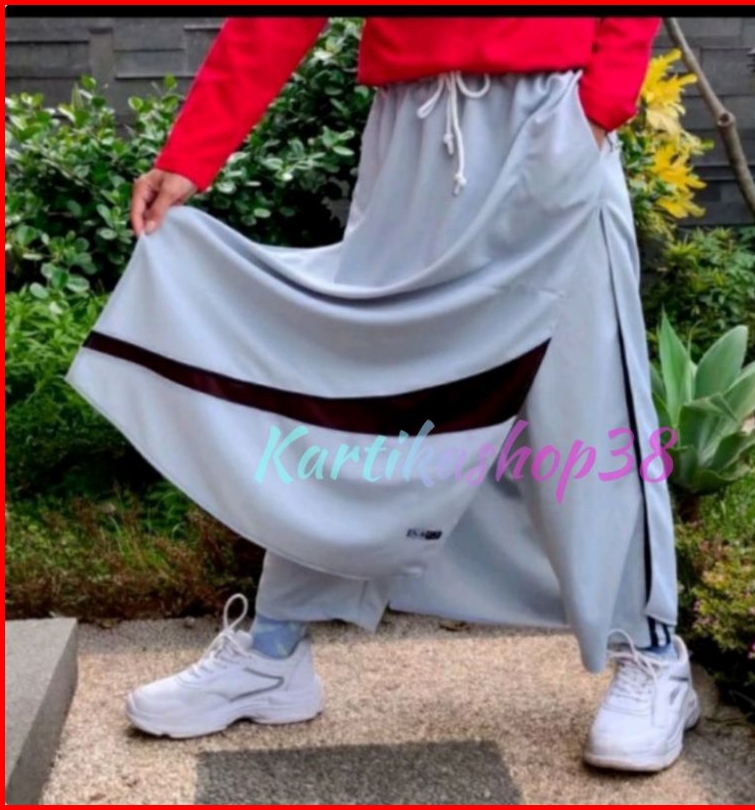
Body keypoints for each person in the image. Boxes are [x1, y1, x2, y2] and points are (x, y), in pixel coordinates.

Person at [67, 16, 700, 772]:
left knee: (584, 393)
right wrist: (191, 153)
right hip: (409, 131)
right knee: (364, 395)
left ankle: (651, 651)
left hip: (549, 115)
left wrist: (599, 106)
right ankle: (274, 650)